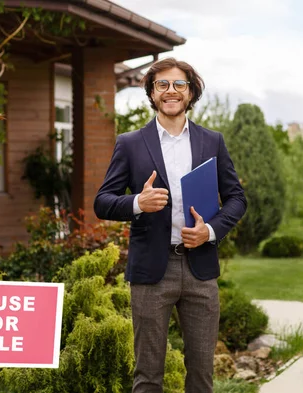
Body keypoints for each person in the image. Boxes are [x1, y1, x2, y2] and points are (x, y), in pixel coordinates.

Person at [94, 57, 247, 393]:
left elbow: (237, 199)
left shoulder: (212, 142)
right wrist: (137, 202)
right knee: (148, 375)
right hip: (151, 270)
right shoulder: (130, 143)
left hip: (200, 269)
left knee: (202, 374)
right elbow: (102, 202)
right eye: (162, 84)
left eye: (179, 84)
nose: (171, 91)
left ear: (190, 92)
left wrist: (209, 231)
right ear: (151, 92)